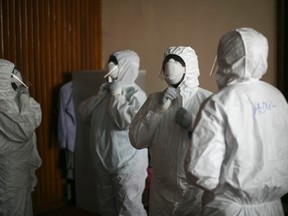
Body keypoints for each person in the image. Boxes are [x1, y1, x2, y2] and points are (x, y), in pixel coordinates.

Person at [184, 27, 288, 216]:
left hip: (229, 208)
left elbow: (201, 170)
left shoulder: (219, 102)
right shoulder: (276, 97)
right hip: (273, 207)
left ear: (225, 56)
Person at [129, 46, 212, 216]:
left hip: (195, 194)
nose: (170, 64)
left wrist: (194, 124)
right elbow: (137, 140)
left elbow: (220, 145)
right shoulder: (154, 100)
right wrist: (158, 111)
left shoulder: (207, 100)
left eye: (177, 61)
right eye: (168, 60)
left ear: (188, 67)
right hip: (161, 191)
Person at [79, 50, 148, 216]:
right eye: (110, 62)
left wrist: (117, 96)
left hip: (127, 163)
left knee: (129, 208)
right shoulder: (105, 91)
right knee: (106, 206)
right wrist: (102, 95)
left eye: (115, 63)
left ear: (126, 67)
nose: (110, 66)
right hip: (102, 161)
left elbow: (125, 122)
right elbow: (83, 113)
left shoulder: (136, 94)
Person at [0, 59, 42, 216]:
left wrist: (24, 98)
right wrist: (24, 104)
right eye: (14, 73)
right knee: (14, 210)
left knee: (24, 208)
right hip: (11, 173)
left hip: (20, 169)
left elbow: (36, 116)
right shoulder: (3, 105)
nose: (18, 76)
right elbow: (24, 130)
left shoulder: (13, 99)